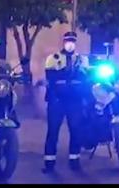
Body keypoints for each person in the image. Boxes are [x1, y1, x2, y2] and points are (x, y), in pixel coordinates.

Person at [42, 31, 89, 173]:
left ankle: (74, 161)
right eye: (68, 40)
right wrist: (68, 72)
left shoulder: (81, 59)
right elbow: (51, 77)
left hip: (74, 100)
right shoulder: (53, 58)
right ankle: (49, 163)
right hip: (57, 100)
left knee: (76, 130)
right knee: (53, 131)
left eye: (72, 41)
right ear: (63, 42)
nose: (70, 44)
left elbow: (85, 77)